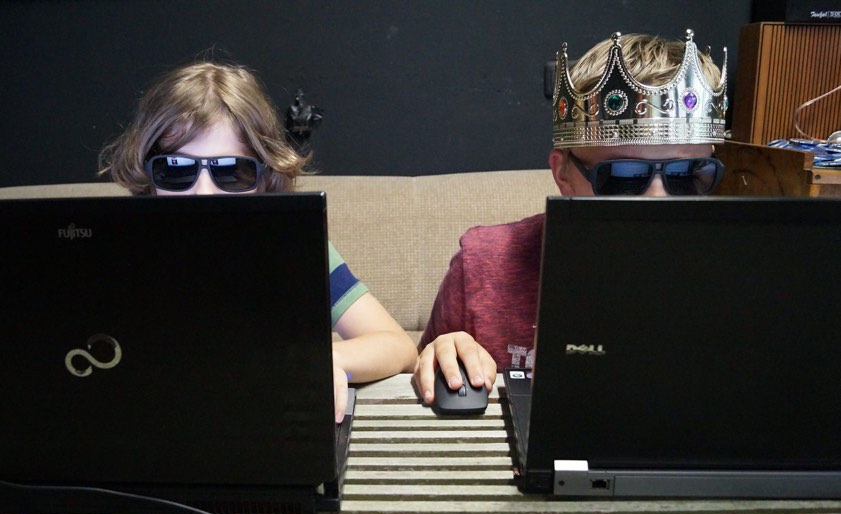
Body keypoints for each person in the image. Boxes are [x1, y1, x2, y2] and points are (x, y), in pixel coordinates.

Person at [414, 30, 728, 404]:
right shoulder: (484, 263)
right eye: (624, 176)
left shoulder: (739, 269)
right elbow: (427, 373)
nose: (658, 200)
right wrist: (443, 351)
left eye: (687, 175)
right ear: (562, 173)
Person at [98, 60, 418, 422]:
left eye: (231, 172)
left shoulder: (296, 251)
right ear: (149, 175)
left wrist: (328, 359)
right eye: (177, 169)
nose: (204, 194)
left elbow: (398, 346)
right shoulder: (118, 252)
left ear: (264, 178)